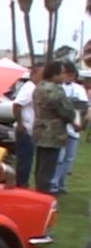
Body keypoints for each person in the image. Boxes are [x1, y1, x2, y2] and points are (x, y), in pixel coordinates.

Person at [32, 61, 77, 193]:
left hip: (40, 131)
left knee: (40, 167)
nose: (64, 76)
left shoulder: (39, 86)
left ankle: (39, 191)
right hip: (52, 134)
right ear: (54, 74)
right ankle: (43, 196)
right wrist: (74, 118)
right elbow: (66, 111)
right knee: (48, 168)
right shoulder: (56, 90)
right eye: (62, 73)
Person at [50, 62, 89, 194]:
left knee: (69, 158)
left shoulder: (79, 89)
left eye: (72, 75)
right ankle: (54, 184)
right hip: (60, 128)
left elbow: (83, 107)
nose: (69, 77)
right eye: (67, 74)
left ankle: (62, 184)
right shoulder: (57, 88)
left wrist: (81, 123)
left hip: (74, 128)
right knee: (59, 158)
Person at [12, 64, 43, 187]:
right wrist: (20, 123)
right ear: (34, 74)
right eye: (41, 74)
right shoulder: (29, 88)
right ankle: (21, 184)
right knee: (24, 160)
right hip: (25, 129)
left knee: (27, 160)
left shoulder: (34, 88)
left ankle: (23, 183)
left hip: (31, 129)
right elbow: (17, 105)